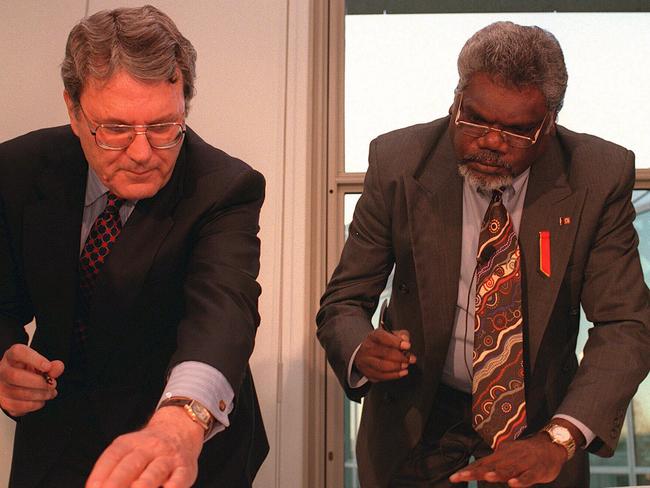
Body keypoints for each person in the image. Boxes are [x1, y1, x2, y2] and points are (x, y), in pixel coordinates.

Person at [317, 21, 650, 487]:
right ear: (455, 102)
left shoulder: (596, 175)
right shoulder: (399, 161)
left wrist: (561, 438)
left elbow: (626, 325)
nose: (491, 141)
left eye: (516, 130)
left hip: (542, 417)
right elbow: (343, 302)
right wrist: (360, 347)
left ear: (549, 125)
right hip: (417, 413)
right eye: (475, 119)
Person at [0, 6, 268, 487]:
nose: (143, 153)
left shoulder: (223, 186)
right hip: (58, 436)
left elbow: (224, 312)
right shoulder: (16, 170)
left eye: (164, 127)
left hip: (189, 442)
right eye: (117, 129)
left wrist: (180, 422)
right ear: (73, 110)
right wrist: (3, 358)